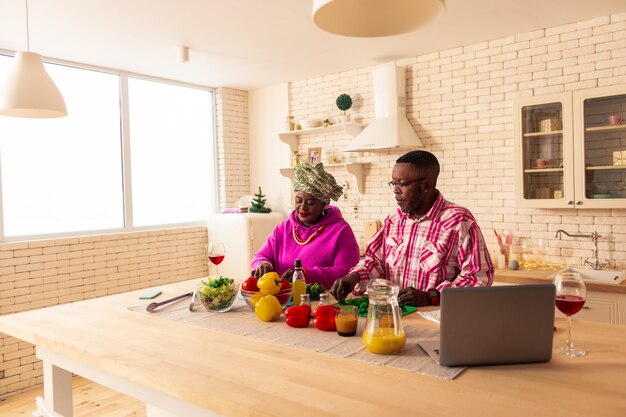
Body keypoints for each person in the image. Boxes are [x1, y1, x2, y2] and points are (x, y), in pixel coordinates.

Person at [330, 150, 494, 306]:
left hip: (436, 320)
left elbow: (478, 278)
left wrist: (431, 297)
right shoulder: (394, 220)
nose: (396, 190)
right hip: (396, 316)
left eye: (402, 184)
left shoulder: (458, 221)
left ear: (426, 184)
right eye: (393, 183)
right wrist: (355, 276)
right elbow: (375, 262)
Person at [251, 162, 360, 289]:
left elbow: (346, 273)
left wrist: (305, 275)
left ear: (323, 203)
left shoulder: (341, 231)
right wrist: (263, 264)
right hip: (282, 299)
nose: (302, 207)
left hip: (322, 301)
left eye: (310, 202)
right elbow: (260, 256)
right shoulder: (283, 228)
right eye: (298, 200)